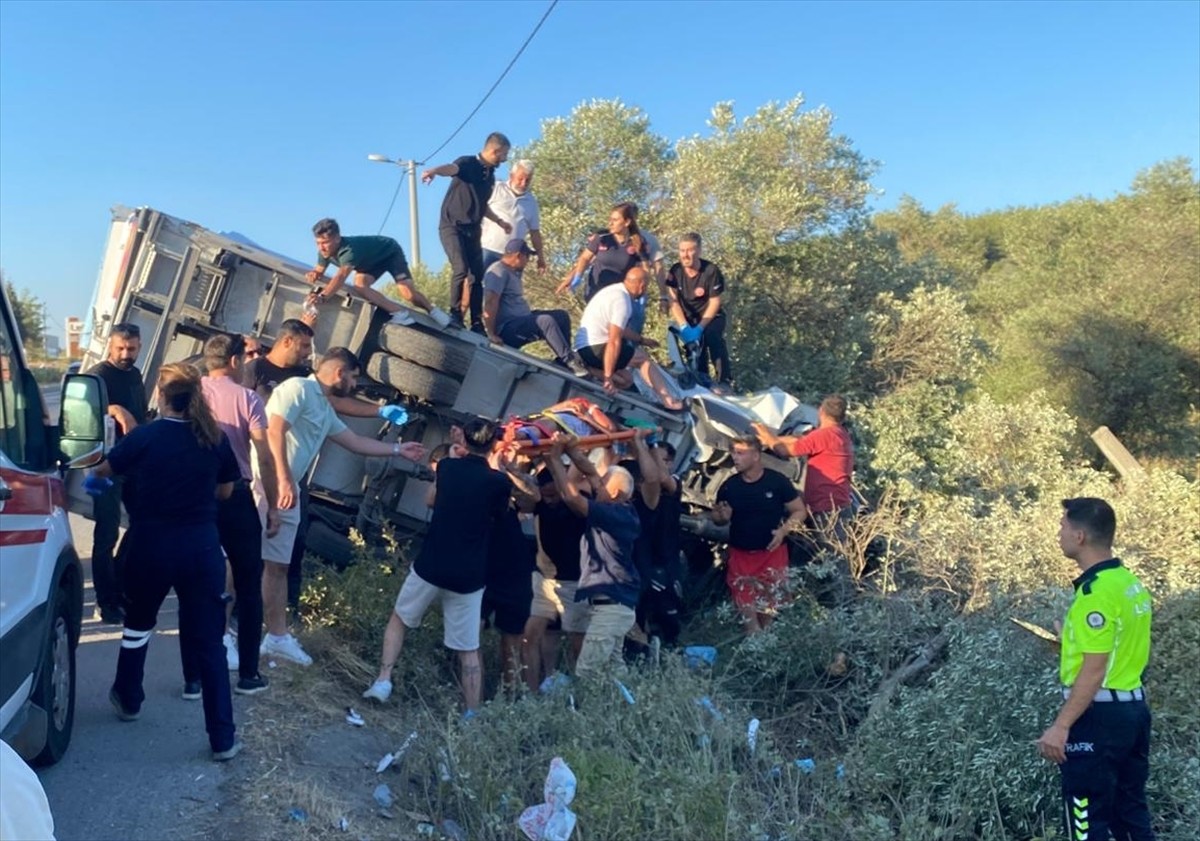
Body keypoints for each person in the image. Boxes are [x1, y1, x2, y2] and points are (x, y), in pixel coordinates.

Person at [89, 363, 243, 761]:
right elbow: (226, 492)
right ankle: (222, 737)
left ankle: (129, 697)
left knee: (139, 624)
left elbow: (103, 471)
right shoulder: (214, 438)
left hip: (151, 545)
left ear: (161, 394)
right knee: (209, 640)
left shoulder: (148, 435)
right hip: (201, 548)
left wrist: (97, 482)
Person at [261, 348, 425, 666]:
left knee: (277, 565)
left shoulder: (323, 404)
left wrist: (398, 449)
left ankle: (276, 637)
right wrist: (281, 479)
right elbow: (274, 430)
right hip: (267, 484)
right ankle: (221, 631)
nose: (353, 384)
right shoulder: (298, 389)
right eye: (353, 377)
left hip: (288, 490)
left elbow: (353, 441)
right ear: (339, 373)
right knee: (241, 555)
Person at [362, 418, 511, 713]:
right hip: (469, 574)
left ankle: (383, 679)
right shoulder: (499, 483)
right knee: (468, 648)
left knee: (400, 619)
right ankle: (471, 712)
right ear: (493, 444)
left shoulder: (446, 468)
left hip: (432, 562)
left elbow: (436, 495)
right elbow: (499, 513)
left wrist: (455, 453)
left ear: (465, 442)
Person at [1037, 498, 1156, 841]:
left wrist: (1061, 726)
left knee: (1086, 819)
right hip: (1131, 710)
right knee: (1130, 814)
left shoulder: (1096, 593)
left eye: (1062, 527)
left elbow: (1095, 669)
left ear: (1080, 536)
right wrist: (1069, 643)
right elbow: (1119, 647)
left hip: (1098, 718)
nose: (1058, 534)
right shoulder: (1129, 584)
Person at [180, 334, 279, 699]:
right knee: (249, 585)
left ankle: (193, 678)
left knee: (193, 586)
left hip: (194, 498)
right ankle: (249, 675)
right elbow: (265, 456)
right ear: (236, 361)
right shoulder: (248, 398)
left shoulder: (189, 394)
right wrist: (272, 505)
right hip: (236, 497)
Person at [542, 433, 641, 679]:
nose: (597, 485)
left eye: (604, 483)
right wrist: (574, 450)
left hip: (611, 608)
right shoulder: (616, 506)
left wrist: (555, 458)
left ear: (616, 492)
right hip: (613, 607)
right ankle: (629, 711)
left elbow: (570, 497)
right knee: (614, 671)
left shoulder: (615, 516)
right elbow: (592, 473)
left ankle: (587, 715)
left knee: (588, 672)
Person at [709, 436, 807, 634]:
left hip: (772, 554)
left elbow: (799, 511)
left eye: (740, 453)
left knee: (768, 613)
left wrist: (783, 531)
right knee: (748, 617)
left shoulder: (777, 482)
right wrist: (721, 518)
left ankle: (765, 653)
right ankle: (753, 642)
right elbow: (718, 519)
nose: (735, 458)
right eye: (733, 453)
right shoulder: (730, 486)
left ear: (755, 455)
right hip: (741, 555)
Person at [87, 322, 148, 624]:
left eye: (132, 348)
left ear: (139, 346)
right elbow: (87, 411)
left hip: (135, 463)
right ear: (111, 346)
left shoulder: (135, 375)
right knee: (106, 534)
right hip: (106, 465)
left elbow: (142, 414)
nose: (126, 354)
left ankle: (120, 586)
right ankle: (105, 601)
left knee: (143, 524)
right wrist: (114, 408)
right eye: (121, 348)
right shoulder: (98, 375)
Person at [423, 132, 512, 332]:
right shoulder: (467, 163)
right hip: (452, 227)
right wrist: (434, 171)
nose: (504, 159)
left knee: (476, 277)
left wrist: (499, 221)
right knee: (461, 268)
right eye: (503, 155)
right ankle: (454, 313)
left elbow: (482, 204)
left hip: (473, 229)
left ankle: (476, 321)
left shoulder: (490, 176)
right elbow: (451, 168)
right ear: (494, 150)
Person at [573, 266, 683, 410]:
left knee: (626, 380)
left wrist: (642, 340)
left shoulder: (613, 291)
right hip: (596, 348)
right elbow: (614, 341)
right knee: (642, 359)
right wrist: (607, 377)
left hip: (583, 348)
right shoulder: (622, 301)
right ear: (642, 286)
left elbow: (620, 329)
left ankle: (591, 369)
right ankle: (668, 400)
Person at [304, 218, 449, 327]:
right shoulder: (323, 253)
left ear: (337, 238)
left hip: (389, 252)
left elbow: (341, 276)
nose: (321, 247)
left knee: (407, 293)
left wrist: (322, 297)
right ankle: (399, 313)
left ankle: (433, 310)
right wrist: (314, 274)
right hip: (369, 263)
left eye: (325, 242)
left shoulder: (348, 251)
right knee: (359, 285)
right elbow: (318, 270)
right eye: (318, 243)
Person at [521, 468, 589, 691]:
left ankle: (580, 689)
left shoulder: (579, 505)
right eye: (545, 495)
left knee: (576, 639)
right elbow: (526, 496)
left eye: (553, 495)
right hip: (543, 577)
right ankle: (533, 691)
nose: (549, 500)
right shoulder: (540, 502)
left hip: (573, 581)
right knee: (532, 635)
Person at [482, 239, 586, 375]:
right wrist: (491, 333)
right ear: (518, 255)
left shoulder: (512, 272)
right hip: (507, 328)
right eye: (527, 257)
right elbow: (490, 301)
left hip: (521, 320)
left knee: (561, 316)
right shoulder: (498, 271)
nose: (528, 261)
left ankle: (563, 359)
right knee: (545, 321)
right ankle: (570, 361)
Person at [753, 394, 854, 531]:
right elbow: (801, 440)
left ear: (821, 411)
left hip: (827, 508)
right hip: (834, 505)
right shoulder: (839, 433)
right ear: (842, 418)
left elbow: (784, 451)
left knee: (829, 550)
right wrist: (774, 439)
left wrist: (768, 437)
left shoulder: (824, 435)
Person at [666, 233, 732, 387]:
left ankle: (724, 381)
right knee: (694, 348)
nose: (685, 255)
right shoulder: (675, 271)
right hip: (689, 318)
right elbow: (672, 299)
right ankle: (701, 380)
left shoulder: (711, 270)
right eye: (682, 250)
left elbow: (715, 301)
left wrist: (701, 327)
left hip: (711, 316)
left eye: (690, 250)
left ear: (699, 251)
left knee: (711, 336)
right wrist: (683, 325)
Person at [556, 202, 652, 302]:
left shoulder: (638, 242)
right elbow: (585, 258)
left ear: (627, 222)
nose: (610, 223)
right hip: (596, 291)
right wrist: (577, 276)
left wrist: (642, 290)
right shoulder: (602, 237)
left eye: (615, 220)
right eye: (610, 220)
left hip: (620, 295)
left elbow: (645, 269)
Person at [480, 159, 546, 273]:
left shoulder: (531, 202)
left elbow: (534, 232)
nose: (523, 183)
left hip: (513, 257)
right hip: (488, 249)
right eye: (520, 179)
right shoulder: (496, 188)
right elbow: (479, 208)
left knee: (509, 289)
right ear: (511, 176)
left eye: (527, 180)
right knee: (476, 283)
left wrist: (540, 256)